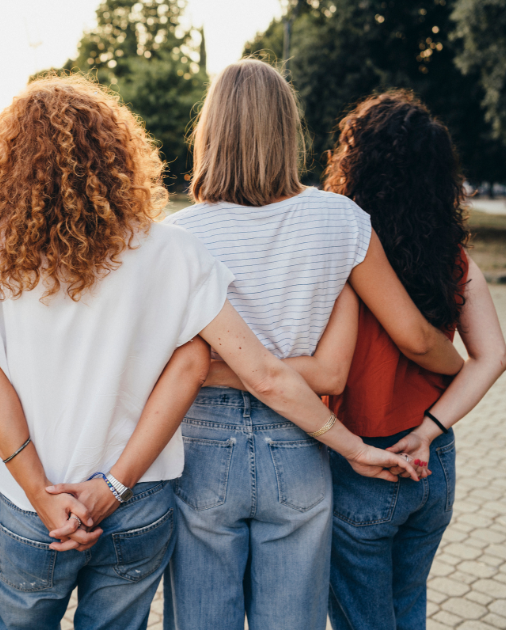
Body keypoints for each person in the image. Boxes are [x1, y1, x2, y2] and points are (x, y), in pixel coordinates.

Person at [0, 75, 416, 630]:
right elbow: (260, 375)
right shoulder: (173, 252)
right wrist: (354, 447)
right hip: (137, 503)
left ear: (7, 166)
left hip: (27, 508)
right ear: (120, 154)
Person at [161, 59, 465, 630]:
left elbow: (168, 369)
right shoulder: (341, 220)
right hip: (299, 444)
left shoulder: (180, 237)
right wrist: (459, 370)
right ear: (287, 129)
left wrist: (222, 369)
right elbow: (336, 372)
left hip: (203, 447)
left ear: (211, 132)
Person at [323, 91, 506, 630]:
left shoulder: (349, 248)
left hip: (364, 461)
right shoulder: (454, 254)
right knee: (409, 607)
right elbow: (493, 357)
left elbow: (417, 342)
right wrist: (431, 426)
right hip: (433, 458)